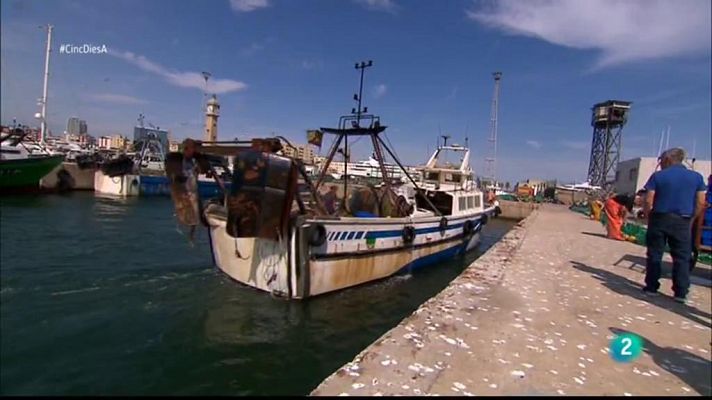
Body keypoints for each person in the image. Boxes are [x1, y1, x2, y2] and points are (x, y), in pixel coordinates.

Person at [642, 148, 706, 303]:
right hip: (682, 220)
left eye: (661, 161)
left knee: (655, 253)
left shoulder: (658, 176)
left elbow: (648, 200)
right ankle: (680, 292)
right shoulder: (696, 177)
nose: (660, 164)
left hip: (659, 217)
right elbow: (701, 202)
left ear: (668, 159)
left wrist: (647, 216)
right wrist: (692, 218)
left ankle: (651, 287)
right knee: (682, 257)